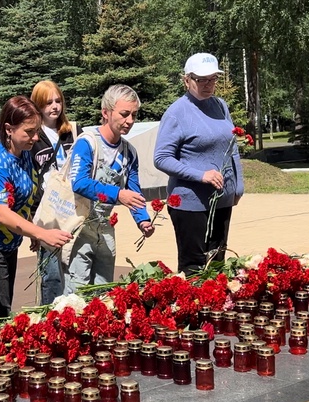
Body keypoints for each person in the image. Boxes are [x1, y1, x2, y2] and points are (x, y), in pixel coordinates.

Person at [0, 96, 71, 320]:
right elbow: (3, 214)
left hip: (10, 244)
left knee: (3, 309)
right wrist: (42, 233)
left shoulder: (25, 155)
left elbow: (25, 198)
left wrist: (31, 228)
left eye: (37, 131)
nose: (35, 138)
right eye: (29, 132)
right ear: (8, 129)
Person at [154, 53, 244, 273]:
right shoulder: (176, 113)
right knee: (194, 269)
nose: (208, 85)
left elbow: (231, 145)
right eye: (201, 79)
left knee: (217, 265)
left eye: (212, 79)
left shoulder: (220, 105)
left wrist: (238, 185)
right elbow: (161, 158)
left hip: (221, 200)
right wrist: (201, 175)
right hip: (190, 204)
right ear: (187, 80)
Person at [63, 85, 154, 294]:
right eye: (124, 114)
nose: (130, 121)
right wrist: (118, 195)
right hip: (78, 228)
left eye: (134, 115)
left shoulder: (129, 152)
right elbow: (79, 182)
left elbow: (134, 189)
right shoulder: (87, 143)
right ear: (106, 112)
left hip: (105, 231)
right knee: (76, 297)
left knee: (104, 294)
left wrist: (143, 219)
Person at [29, 80, 77, 305]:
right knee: (51, 274)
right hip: (46, 210)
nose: (54, 107)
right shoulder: (33, 136)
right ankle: (50, 317)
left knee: (73, 268)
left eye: (58, 101)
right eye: (48, 102)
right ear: (37, 105)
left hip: (70, 207)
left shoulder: (72, 132)